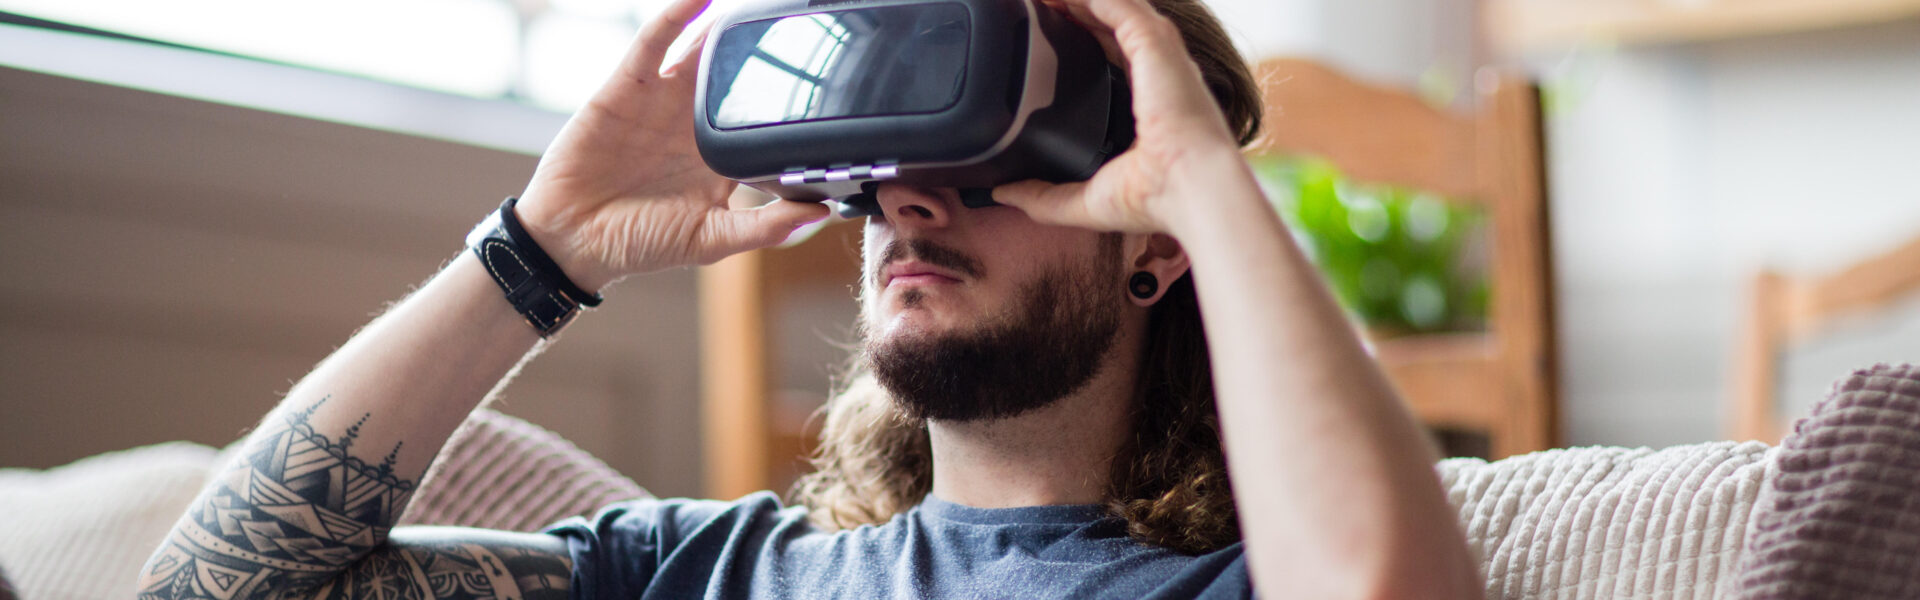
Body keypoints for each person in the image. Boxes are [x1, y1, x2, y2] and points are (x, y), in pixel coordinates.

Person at [136, 0, 1478, 597]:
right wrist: (544, 247)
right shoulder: (697, 573)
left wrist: (1202, 180)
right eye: (893, 163)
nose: (914, 199)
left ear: (1148, 235)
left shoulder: (1245, 583)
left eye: (994, 162)